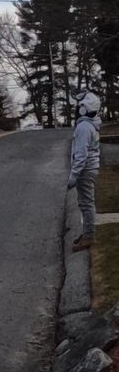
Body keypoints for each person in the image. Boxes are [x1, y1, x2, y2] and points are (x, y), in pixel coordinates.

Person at [69, 89, 102, 252]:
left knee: (86, 203)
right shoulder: (91, 125)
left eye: (79, 106)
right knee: (85, 203)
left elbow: (81, 155)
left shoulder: (83, 128)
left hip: (85, 171)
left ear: (84, 108)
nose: (77, 109)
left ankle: (89, 236)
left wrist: (74, 176)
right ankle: (87, 232)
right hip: (90, 168)